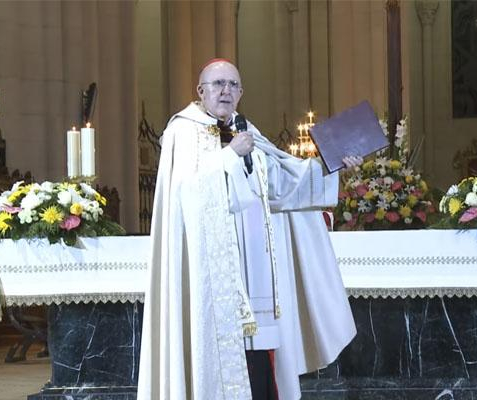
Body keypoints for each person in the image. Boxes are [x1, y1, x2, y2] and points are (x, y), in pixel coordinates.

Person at [137, 58, 358, 400]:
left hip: (255, 272)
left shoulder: (246, 130)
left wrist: (333, 163)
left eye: (233, 85)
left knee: (260, 357)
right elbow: (185, 195)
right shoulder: (183, 131)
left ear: (241, 93)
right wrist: (228, 157)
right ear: (201, 91)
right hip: (210, 278)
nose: (226, 91)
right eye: (218, 84)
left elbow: (283, 183)